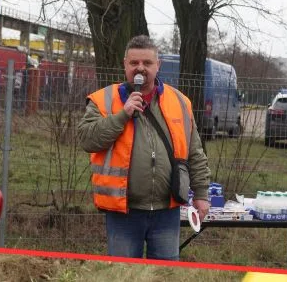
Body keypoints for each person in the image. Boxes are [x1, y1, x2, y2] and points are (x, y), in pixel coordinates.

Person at [76, 35, 211, 261]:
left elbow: (195, 153)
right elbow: (87, 140)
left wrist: (201, 194)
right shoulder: (104, 100)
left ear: (158, 66)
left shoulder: (180, 102)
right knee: (123, 274)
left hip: (167, 211)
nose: (141, 68)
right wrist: (123, 114)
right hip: (123, 212)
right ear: (125, 65)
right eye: (134, 63)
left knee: (165, 274)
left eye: (147, 63)